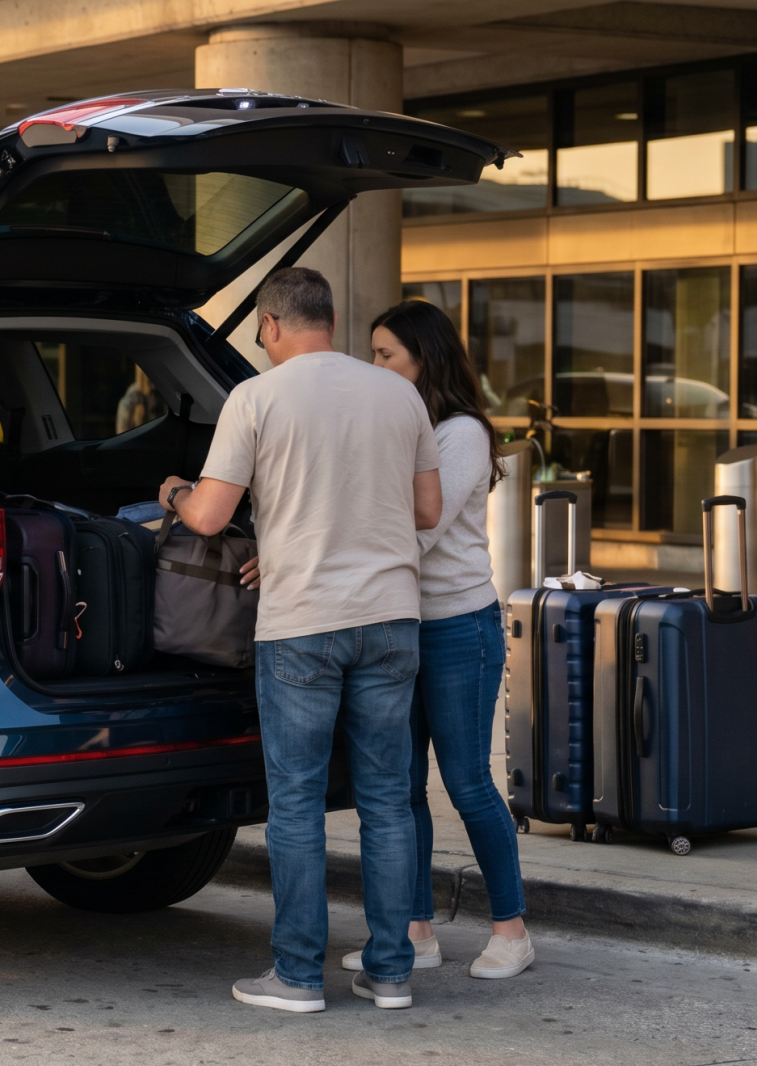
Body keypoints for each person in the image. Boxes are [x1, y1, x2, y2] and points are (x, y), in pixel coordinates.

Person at [160, 267, 442, 1015]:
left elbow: (212, 519)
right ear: (333, 319)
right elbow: (426, 508)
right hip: (390, 618)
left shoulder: (257, 397)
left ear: (273, 325)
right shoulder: (398, 394)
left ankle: (295, 976)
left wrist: (173, 493)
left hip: (303, 626)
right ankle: (390, 972)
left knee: (294, 801)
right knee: (387, 801)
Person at [342, 300, 536, 981]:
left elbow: (419, 530)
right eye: (372, 354)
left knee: (466, 782)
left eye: (386, 354)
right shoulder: (400, 425)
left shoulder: (461, 433)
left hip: (458, 627)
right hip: (401, 625)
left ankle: (512, 931)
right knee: (400, 787)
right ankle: (414, 929)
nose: (376, 366)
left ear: (425, 358)